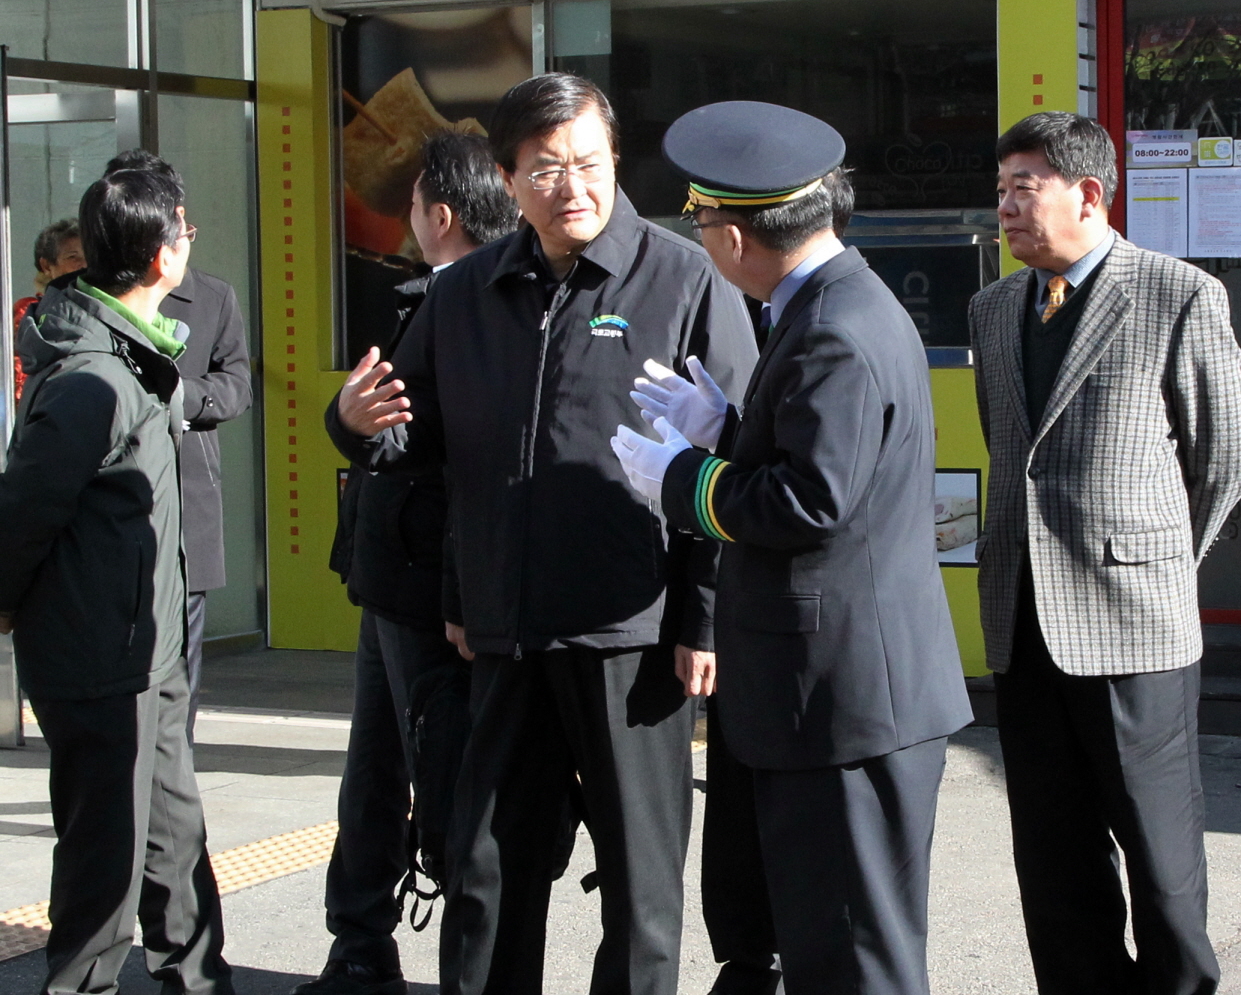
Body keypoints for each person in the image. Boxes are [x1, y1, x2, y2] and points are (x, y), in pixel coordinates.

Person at [328, 73, 757, 995]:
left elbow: (733, 461)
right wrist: (351, 424)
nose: (574, 187)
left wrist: (703, 619)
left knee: (640, 887)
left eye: (590, 164)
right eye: (548, 169)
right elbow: (418, 443)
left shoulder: (684, 279)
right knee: (483, 865)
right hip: (503, 634)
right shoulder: (468, 291)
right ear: (509, 176)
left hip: (632, 635)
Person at [614, 99, 972, 995]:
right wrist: (727, 430)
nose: (700, 241)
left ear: (734, 237)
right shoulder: (826, 302)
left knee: (854, 960)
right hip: (838, 692)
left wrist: (684, 480)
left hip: (845, 700)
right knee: (830, 946)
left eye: (700, 223)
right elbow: (821, 457)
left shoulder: (832, 329)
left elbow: (810, 500)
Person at [968, 111, 1241, 995]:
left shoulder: (1178, 294)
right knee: (1055, 867)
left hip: (1136, 633)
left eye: (1027, 186)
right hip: (1023, 627)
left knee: (1162, 867)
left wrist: (1153, 564)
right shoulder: (993, 307)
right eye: (1003, 186)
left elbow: (1224, 459)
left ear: (1089, 194)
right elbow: (1007, 446)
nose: (1007, 205)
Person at [0, 164, 232, 995]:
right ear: (160, 253)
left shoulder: (134, 354)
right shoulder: (95, 377)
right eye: (186, 229)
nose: (190, 242)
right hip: (100, 657)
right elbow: (25, 506)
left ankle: (199, 983)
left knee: (175, 848)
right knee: (105, 868)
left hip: (149, 649)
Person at [300, 133, 519, 995]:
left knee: (427, 772)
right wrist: (346, 418)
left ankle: (379, 945)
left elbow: (404, 437)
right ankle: (359, 941)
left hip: (432, 587)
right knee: (382, 764)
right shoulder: (443, 298)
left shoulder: (467, 305)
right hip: (393, 576)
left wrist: (351, 421)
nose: (403, 220)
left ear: (442, 214)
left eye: (413, 202)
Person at [104, 151, 253, 738]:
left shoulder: (212, 298)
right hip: (114, 499)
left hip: (188, 494)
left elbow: (237, 385)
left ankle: (172, 776)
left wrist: (177, 398)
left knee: (182, 663)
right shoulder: (89, 299)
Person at [12, 219, 84, 399]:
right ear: (46, 266)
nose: (84, 265)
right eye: (73, 257)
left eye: (89, 256)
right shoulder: (29, 312)